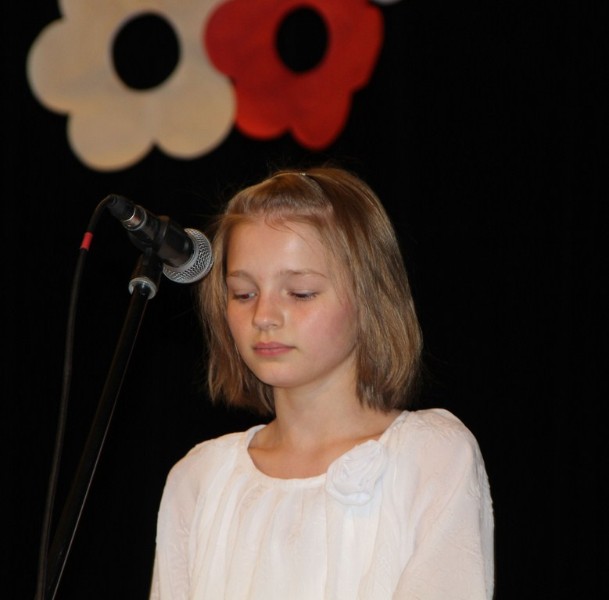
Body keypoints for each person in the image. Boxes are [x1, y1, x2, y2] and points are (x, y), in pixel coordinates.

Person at [149, 166, 494, 599]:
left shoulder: (429, 457)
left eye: (301, 293)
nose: (264, 316)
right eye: (243, 294)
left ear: (370, 296)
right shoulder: (200, 479)